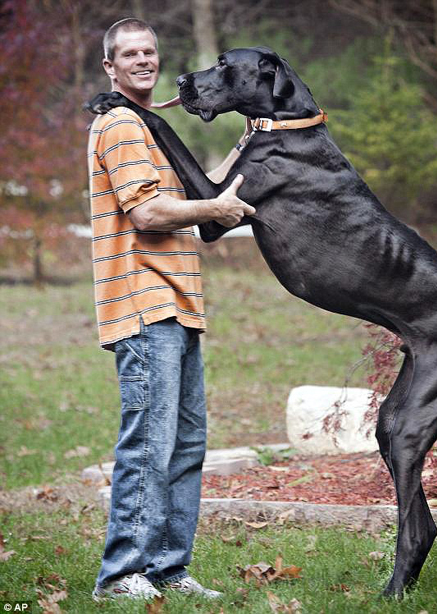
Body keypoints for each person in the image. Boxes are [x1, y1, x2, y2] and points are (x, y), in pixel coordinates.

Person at [87, 17, 255, 602]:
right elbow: (149, 214)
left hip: (177, 305)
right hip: (143, 304)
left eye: (149, 52)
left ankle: (167, 569)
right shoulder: (120, 125)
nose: (143, 61)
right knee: (149, 445)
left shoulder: (150, 126)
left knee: (184, 447)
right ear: (110, 66)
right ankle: (121, 574)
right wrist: (213, 210)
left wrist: (249, 141)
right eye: (128, 54)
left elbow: (201, 193)